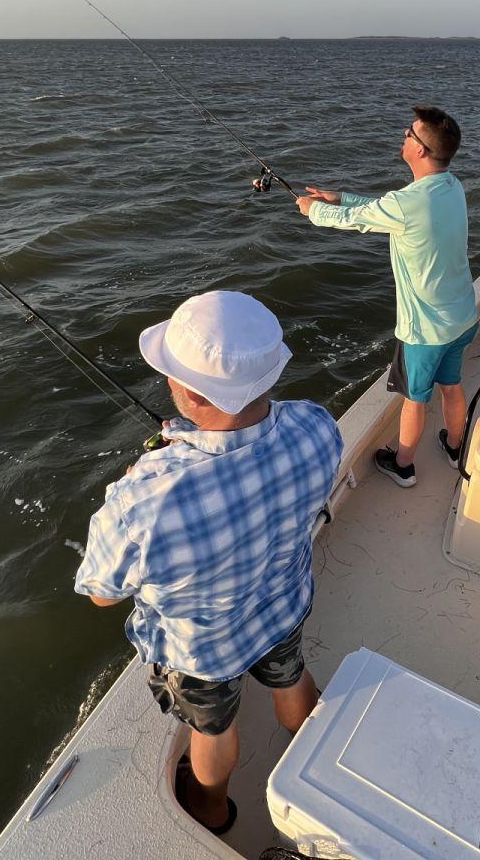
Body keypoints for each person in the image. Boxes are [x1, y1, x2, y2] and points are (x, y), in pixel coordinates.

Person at [74, 291, 343, 834]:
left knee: (214, 729)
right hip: (282, 607)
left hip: (204, 651)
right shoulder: (317, 426)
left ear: (189, 397)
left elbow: (102, 592)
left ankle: (213, 807)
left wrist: (138, 477)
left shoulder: (141, 504)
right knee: (290, 678)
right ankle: (312, 752)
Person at [295, 105, 478, 488]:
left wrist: (313, 210)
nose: (404, 136)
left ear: (421, 150)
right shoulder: (450, 185)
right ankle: (455, 446)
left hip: (425, 332)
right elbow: (382, 210)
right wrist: (341, 197)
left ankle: (404, 465)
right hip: (462, 317)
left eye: (410, 134)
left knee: (414, 398)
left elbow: (359, 221)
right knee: (452, 385)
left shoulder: (407, 203)